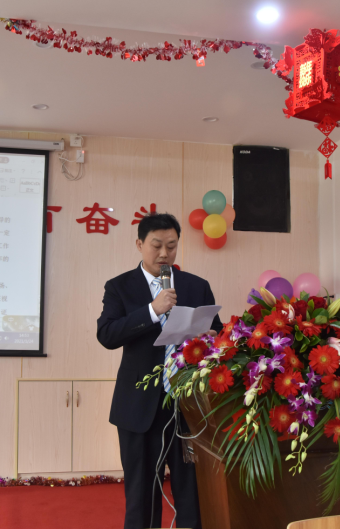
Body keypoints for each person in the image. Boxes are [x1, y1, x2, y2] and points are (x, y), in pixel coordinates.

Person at [97, 212, 223, 529]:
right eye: (156, 245)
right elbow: (107, 335)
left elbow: (219, 335)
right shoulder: (120, 287)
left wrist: (209, 338)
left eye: (172, 246)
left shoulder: (197, 286)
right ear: (140, 244)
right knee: (141, 495)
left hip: (189, 407)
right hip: (138, 409)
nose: (164, 254)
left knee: (192, 493)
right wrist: (153, 311)